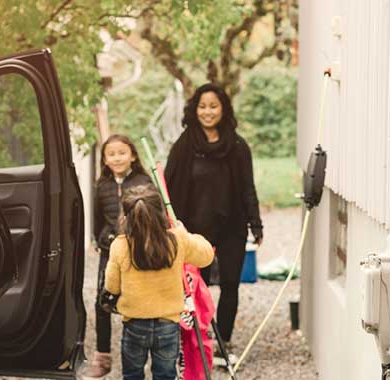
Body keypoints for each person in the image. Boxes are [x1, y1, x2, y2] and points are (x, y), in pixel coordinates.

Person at [164, 83, 263, 353]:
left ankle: (224, 341)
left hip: (232, 226)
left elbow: (247, 187)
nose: (208, 112)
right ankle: (201, 336)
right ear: (195, 110)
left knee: (231, 284)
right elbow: (168, 187)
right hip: (195, 230)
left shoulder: (238, 146)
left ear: (224, 109)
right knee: (198, 286)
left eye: (213, 106)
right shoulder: (184, 146)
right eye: (203, 106)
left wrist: (256, 223)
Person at [105, 186, 214, 380]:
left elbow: (112, 286)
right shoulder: (177, 240)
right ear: (161, 214)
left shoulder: (120, 246)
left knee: (132, 374)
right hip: (168, 324)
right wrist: (185, 233)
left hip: (134, 324)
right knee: (165, 374)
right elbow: (206, 256)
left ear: (125, 217)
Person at [84, 134, 155, 379]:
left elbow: (152, 216)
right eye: (111, 154)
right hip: (110, 250)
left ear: (133, 155)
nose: (117, 158)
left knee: (136, 299)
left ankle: (141, 354)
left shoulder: (143, 181)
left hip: (137, 250)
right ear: (104, 159)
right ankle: (102, 357)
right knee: (102, 300)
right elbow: (97, 217)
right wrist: (100, 237)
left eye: (122, 152)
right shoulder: (101, 185)